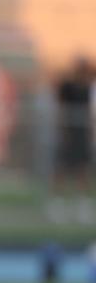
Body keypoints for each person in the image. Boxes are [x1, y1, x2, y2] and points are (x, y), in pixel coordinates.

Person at [51, 56, 95, 224]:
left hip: (82, 134)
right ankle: (58, 204)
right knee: (62, 169)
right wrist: (62, 130)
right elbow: (61, 108)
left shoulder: (89, 88)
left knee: (82, 170)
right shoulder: (67, 86)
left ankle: (83, 205)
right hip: (68, 133)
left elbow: (90, 112)